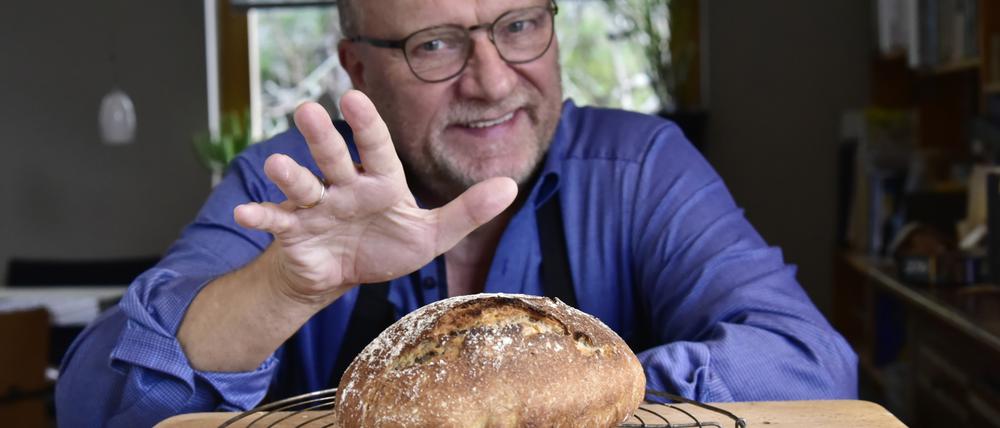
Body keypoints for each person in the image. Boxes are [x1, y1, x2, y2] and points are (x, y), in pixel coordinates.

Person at [56, 0, 857, 426]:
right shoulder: (291, 185)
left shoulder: (642, 168)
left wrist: (563, 392)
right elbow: (94, 405)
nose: (494, 81)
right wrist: (280, 290)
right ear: (358, 69)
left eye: (519, 27)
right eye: (435, 44)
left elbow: (811, 365)